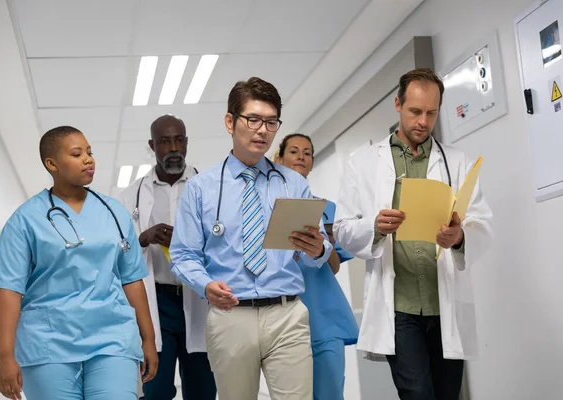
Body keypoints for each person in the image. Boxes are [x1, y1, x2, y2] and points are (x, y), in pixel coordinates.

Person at [333, 68, 494, 400]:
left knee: (447, 394)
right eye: (415, 111)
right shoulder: (363, 163)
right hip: (399, 308)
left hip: (444, 302)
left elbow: (481, 221)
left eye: (431, 113)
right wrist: (374, 227)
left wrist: (460, 237)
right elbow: (343, 231)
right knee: (417, 393)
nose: (423, 121)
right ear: (398, 104)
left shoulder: (457, 161)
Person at [170, 77, 332, 400]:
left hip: (286, 314)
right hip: (232, 316)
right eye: (253, 119)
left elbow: (320, 250)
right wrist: (205, 285)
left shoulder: (292, 184)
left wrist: (318, 248)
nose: (263, 130)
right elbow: (183, 256)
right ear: (230, 122)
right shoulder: (201, 188)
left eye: (271, 122)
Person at [0, 126, 158, 400]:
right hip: (48, 344)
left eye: (89, 152)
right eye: (77, 154)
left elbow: (132, 280)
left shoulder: (114, 213)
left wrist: (148, 339)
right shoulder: (26, 219)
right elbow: (8, 291)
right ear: (51, 164)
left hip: (112, 339)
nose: (88, 159)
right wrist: (4, 357)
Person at [120, 115, 216, 400]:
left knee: (202, 390)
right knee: (156, 390)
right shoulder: (130, 196)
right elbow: (119, 252)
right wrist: (143, 238)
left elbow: (226, 245)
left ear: (186, 142)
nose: (173, 147)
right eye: (164, 141)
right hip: (156, 303)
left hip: (198, 298)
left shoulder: (210, 188)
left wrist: (191, 242)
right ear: (152, 146)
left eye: (179, 140)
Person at [274, 133, 359, 400]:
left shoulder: (328, 209)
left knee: (331, 393)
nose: (301, 156)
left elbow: (333, 267)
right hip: (281, 319)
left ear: (311, 163)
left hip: (324, 318)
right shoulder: (263, 208)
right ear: (278, 159)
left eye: (307, 152)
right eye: (294, 151)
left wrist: (325, 243)